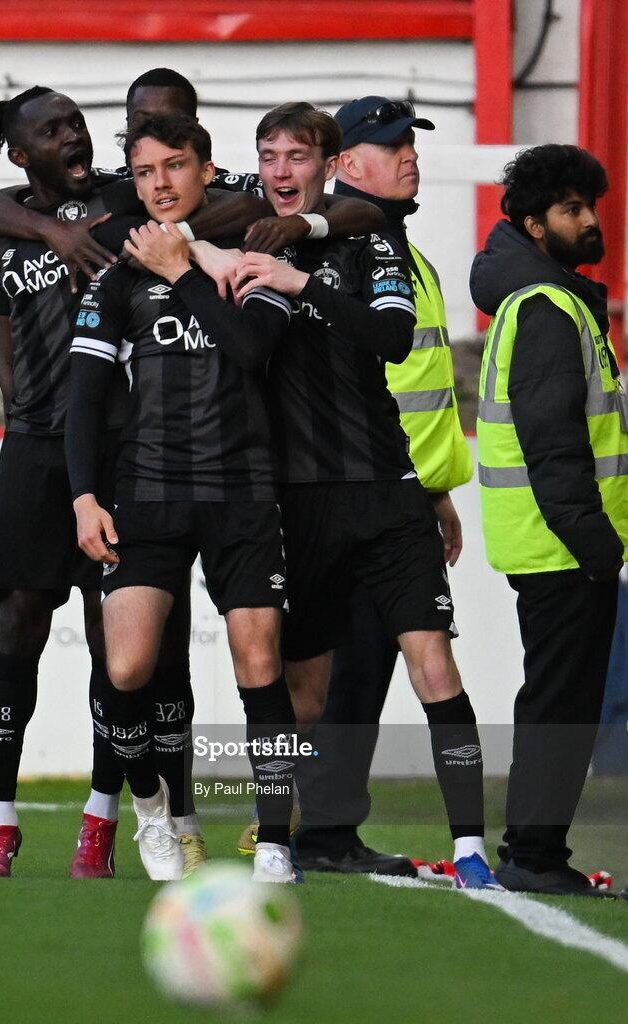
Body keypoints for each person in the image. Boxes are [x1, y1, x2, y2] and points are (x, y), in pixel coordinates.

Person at [226, 102, 498, 889]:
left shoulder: (372, 240)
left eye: (296, 157)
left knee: (433, 665)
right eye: (268, 156)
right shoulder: (244, 235)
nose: (281, 171)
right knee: (302, 695)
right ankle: (277, 840)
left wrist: (299, 278)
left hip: (385, 490)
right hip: (299, 501)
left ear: (327, 164)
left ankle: (473, 849)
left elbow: (388, 337)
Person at [65, 113, 298, 883]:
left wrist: (182, 273)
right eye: (144, 172)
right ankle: (152, 811)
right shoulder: (114, 280)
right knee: (127, 667)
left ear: (205, 172)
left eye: (175, 166)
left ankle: (273, 841)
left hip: (241, 491)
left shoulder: (250, 265)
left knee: (258, 659)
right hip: (148, 491)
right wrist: (84, 497)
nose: (160, 184)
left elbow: (251, 350)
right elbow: (86, 398)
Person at [0, 86, 135, 879]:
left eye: (77, 123)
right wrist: (46, 229)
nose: (74, 136)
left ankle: (100, 818)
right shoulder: (1, 230)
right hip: (33, 447)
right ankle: (0, 822)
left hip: (117, 446)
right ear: (22, 152)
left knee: (117, 642)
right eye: (53, 130)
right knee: (20, 625)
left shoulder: (122, 200)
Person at [471, 143, 627, 897]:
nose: (588, 221)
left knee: (557, 701)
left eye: (588, 205)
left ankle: (536, 851)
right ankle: (532, 855)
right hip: (563, 546)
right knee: (557, 705)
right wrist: (596, 545)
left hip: (558, 544)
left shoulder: (547, 297)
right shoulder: (544, 307)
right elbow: (553, 442)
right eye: (571, 210)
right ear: (534, 225)